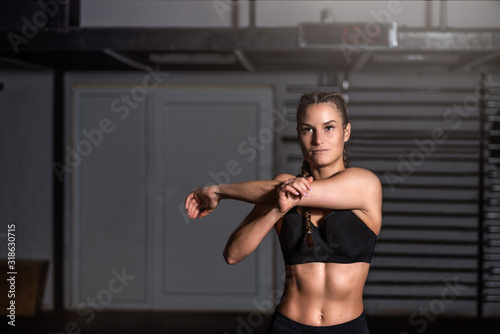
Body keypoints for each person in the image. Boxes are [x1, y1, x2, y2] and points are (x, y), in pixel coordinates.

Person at [185, 91, 382, 334]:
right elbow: (232, 254)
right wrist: (276, 210)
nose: (318, 139)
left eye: (329, 127)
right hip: (288, 326)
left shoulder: (364, 184)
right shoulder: (279, 191)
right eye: (307, 129)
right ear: (299, 135)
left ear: (346, 132)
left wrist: (218, 191)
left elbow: (291, 191)